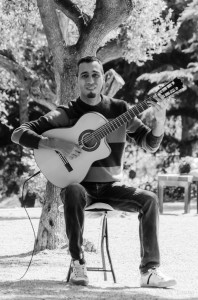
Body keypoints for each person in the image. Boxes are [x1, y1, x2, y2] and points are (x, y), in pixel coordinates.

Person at [11, 56, 176, 288]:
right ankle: (78, 263)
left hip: (112, 188)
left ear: (102, 78)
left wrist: (160, 121)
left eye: (95, 74)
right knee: (74, 190)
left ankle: (149, 271)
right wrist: (57, 143)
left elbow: (149, 143)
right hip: (81, 188)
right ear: (77, 80)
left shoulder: (120, 110)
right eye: (84, 75)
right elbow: (18, 133)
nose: (90, 80)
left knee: (149, 199)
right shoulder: (67, 113)